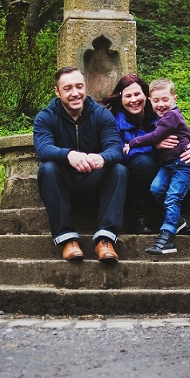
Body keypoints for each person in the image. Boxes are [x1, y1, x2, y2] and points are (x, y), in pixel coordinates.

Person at [33, 65, 127, 262]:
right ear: (57, 92)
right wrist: (69, 155)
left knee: (118, 169)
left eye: (79, 87)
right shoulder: (45, 117)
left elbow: (115, 148)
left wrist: (102, 158)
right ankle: (67, 240)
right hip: (63, 185)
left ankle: (105, 240)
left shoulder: (102, 115)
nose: (75, 93)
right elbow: (43, 149)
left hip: (94, 183)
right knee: (48, 168)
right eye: (68, 89)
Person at [104, 73, 190, 235]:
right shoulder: (113, 122)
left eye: (137, 94)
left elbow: (185, 134)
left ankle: (181, 217)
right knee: (144, 162)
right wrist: (154, 146)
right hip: (136, 183)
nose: (133, 100)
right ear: (121, 99)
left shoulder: (163, 116)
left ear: (146, 96)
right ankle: (139, 218)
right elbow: (116, 153)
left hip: (164, 176)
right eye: (128, 96)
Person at [122, 77, 190, 256]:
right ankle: (179, 221)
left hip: (182, 165)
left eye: (165, 99)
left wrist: (132, 143)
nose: (160, 104)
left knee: (172, 198)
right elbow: (188, 131)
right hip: (168, 164)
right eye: (156, 100)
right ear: (150, 100)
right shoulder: (165, 116)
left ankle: (167, 236)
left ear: (174, 98)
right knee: (156, 189)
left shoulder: (170, 116)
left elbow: (154, 136)